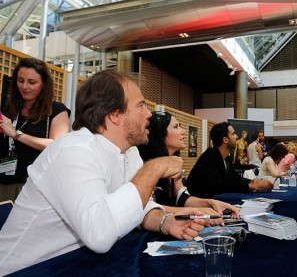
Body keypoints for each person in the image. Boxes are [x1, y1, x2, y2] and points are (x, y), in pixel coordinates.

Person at [0, 70, 207, 275]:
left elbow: (137, 207)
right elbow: (99, 234)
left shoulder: (129, 152)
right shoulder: (73, 150)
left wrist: (166, 222)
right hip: (25, 269)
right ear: (115, 115)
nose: (149, 114)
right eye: (141, 106)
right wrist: (153, 168)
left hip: (77, 264)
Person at [137, 110, 240, 224]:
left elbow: (182, 197)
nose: (184, 132)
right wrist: (197, 212)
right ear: (160, 134)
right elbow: (146, 210)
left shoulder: (174, 165)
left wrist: (211, 203)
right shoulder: (144, 167)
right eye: (176, 127)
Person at [0, 58, 70, 202]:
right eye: (20, 80)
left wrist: (16, 134)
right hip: (3, 182)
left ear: (44, 84)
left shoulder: (56, 110)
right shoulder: (10, 108)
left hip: (33, 186)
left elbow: (57, 145)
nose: (25, 86)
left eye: (32, 82)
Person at [185, 122, 273, 199]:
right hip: (196, 206)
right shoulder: (210, 156)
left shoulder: (226, 158)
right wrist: (250, 186)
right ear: (225, 139)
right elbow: (219, 185)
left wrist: (253, 181)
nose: (237, 136)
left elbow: (234, 178)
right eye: (233, 134)